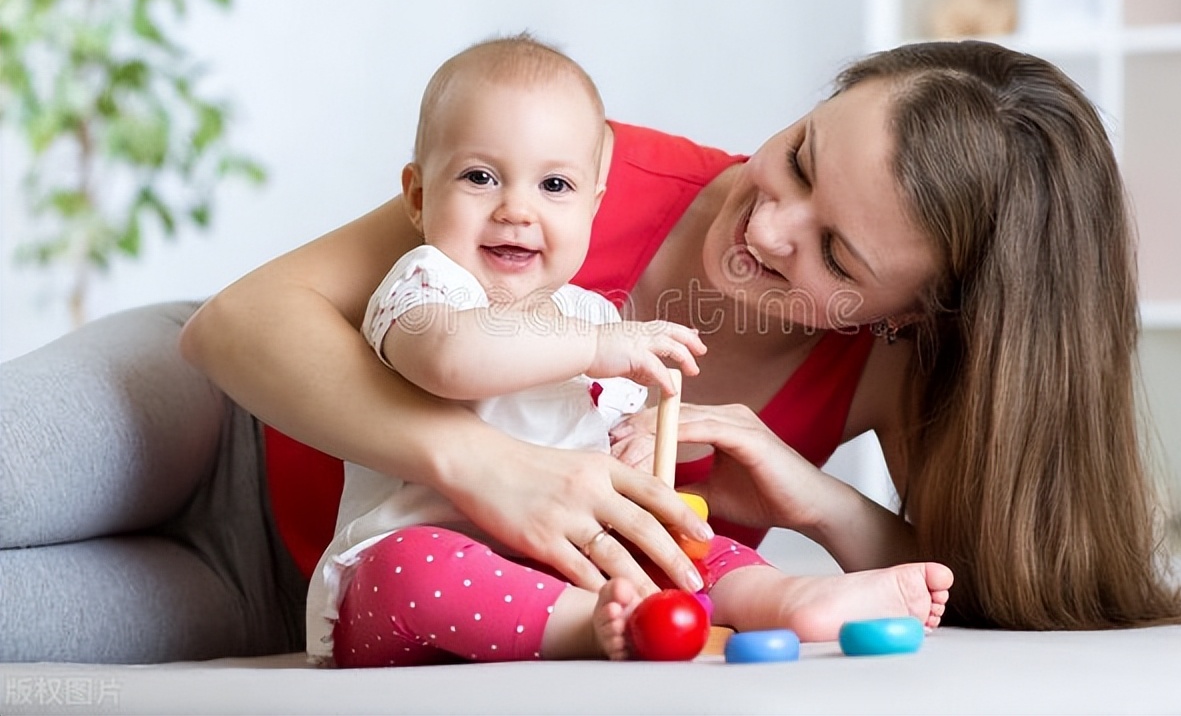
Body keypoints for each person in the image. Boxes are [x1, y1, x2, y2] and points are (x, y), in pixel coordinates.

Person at [0, 40, 1181, 665]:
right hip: (210, 418)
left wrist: (820, 502)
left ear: (910, 318)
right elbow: (240, 329)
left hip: (303, 595)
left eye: (834, 257)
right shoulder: (572, 171)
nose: (762, 225)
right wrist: (479, 464)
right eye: (801, 157)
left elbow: (977, 577)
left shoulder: (889, 367)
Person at [309, 35, 950, 667]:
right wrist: (596, 347)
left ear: (595, 206)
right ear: (419, 197)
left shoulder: (586, 311)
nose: (516, 209)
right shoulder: (427, 285)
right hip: (404, 570)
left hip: (571, 559)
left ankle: (786, 598)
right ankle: (590, 628)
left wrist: (638, 449)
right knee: (412, 570)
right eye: (480, 178)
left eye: (554, 187)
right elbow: (452, 360)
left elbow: (602, 445)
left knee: (686, 539)